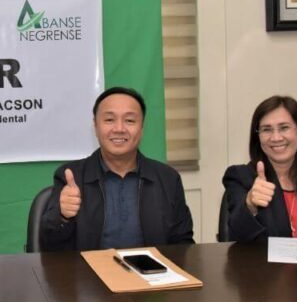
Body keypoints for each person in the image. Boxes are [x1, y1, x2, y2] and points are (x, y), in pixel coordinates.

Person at [40, 87, 194, 251]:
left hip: (152, 274)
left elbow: (183, 245)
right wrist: (62, 216)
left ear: (141, 128)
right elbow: (49, 246)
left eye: (129, 121)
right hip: (88, 274)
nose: (119, 129)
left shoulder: (167, 178)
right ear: (95, 126)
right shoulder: (72, 176)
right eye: (109, 120)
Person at [222, 96, 297, 246]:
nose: (276, 137)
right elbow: (234, 238)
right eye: (266, 130)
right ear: (258, 137)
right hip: (264, 269)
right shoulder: (241, 176)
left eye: (284, 128)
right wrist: (249, 204)